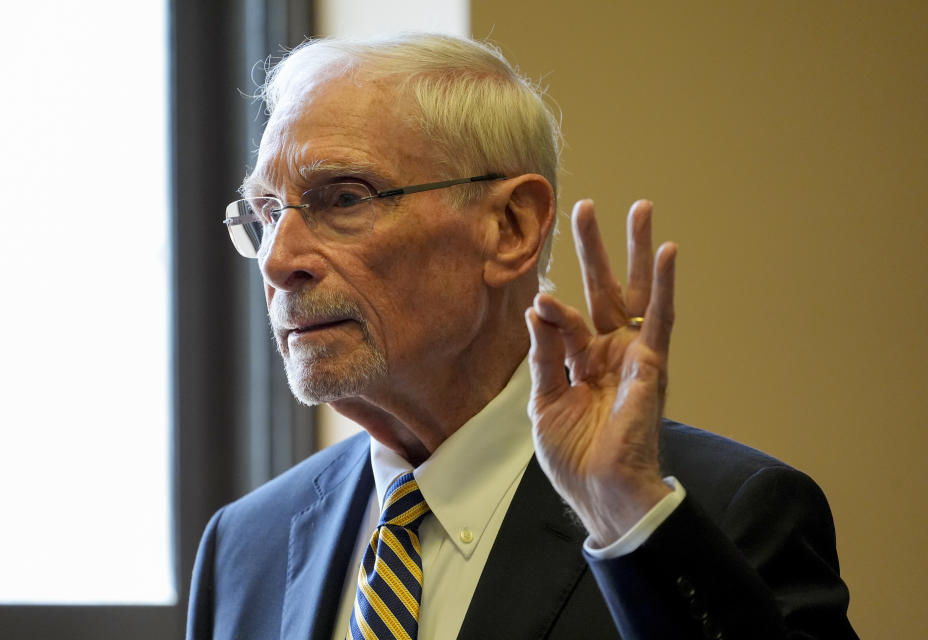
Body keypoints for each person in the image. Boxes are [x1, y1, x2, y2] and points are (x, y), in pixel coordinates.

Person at [188, 33, 857, 639]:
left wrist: (627, 521)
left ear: (510, 227)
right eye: (268, 213)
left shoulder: (723, 518)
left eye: (344, 199)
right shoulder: (246, 545)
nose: (278, 259)